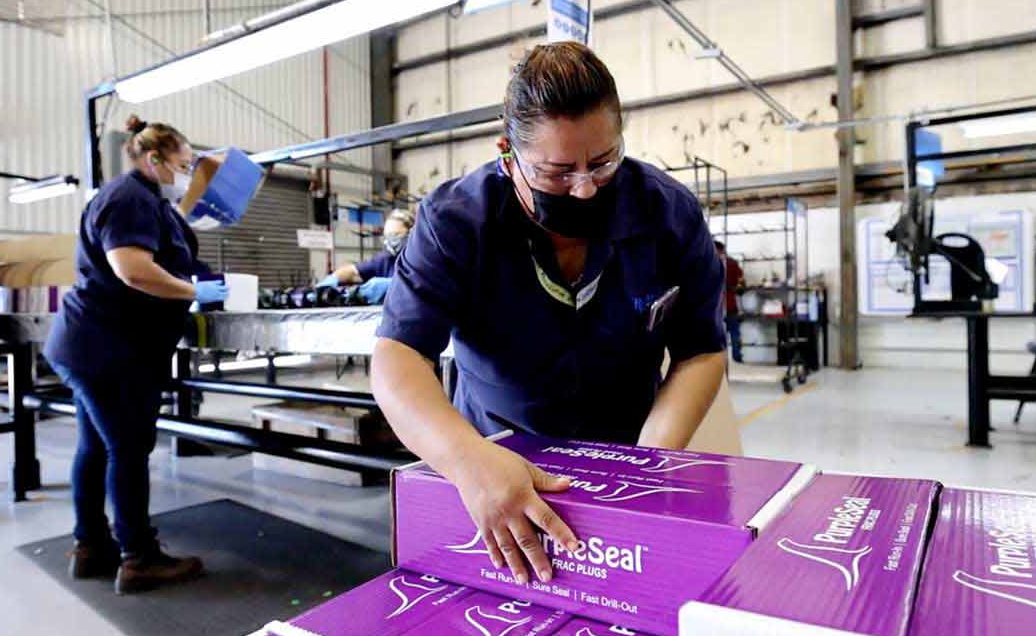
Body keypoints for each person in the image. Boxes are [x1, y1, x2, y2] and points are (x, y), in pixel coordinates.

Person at [371, 42, 727, 587]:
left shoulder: (669, 214)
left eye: (603, 163)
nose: (584, 188)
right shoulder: (456, 222)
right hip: (497, 456)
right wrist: (467, 462)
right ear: (507, 155)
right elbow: (398, 355)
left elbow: (701, 349)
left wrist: (648, 465)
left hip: (624, 450)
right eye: (557, 173)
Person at [44, 116, 228, 595]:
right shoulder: (128, 199)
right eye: (184, 165)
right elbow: (132, 270)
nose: (188, 175)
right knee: (126, 449)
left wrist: (204, 280)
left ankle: (91, 547)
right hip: (110, 348)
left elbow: (171, 257)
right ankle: (138, 557)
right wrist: (194, 292)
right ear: (155, 160)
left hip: (94, 344)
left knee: (97, 446)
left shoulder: (151, 204)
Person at [317, 208, 414, 304]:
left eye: (395, 235)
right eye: (386, 236)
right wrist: (330, 281)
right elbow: (353, 272)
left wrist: (388, 286)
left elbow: (418, 284)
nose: (389, 240)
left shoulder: (423, 259)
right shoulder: (385, 260)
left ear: (412, 233)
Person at [715, 241, 745, 364]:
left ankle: (723, 357)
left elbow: (741, 283)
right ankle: (736, 356)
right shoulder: (733, 263)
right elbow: (741, 284)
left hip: (719, 304)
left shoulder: (712, 263)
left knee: (723, 334)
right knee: (733, 333)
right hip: (728, 303)